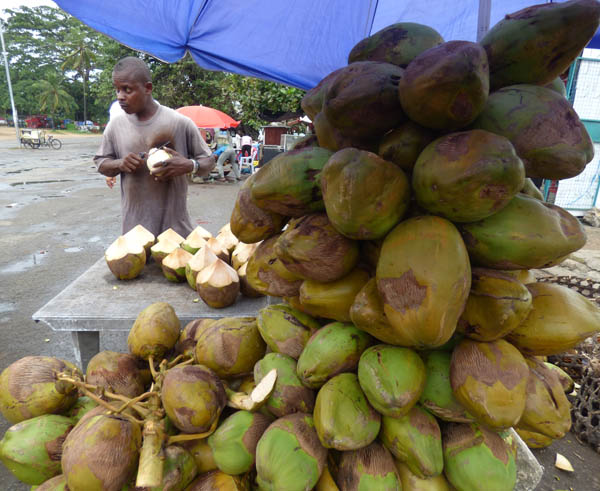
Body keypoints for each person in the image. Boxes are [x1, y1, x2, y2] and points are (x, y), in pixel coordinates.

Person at [93, 56, 215, 237]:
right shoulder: (115, 126)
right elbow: (101, 163)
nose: (120, 97)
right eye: (117, 90)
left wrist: (190, 165)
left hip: (176, 232)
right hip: (134, 234)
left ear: (147, 88)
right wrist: (120, 164)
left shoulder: (179, 122)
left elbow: (209, 162)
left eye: (127, 89)